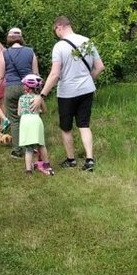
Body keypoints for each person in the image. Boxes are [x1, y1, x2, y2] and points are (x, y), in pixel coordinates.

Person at [37, 16, 105, 172]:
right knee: (84, 124)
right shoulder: (87, 41)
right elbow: (100, 67)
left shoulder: (59, 47)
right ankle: (89, 160)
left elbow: (54, 74)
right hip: (86, 90)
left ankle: (71, 160)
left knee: (66, 127)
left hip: (67, 93)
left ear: (59, 27)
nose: (56, 34)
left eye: (55, 30)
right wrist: (89, 79)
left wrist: (42, 95)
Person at [0, 28, 39, 159]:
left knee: (14, 119)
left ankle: (17, 150)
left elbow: (0, 76)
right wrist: (38, 92)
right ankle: (33, 146)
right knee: (31, 117)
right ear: (21, 38)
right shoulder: (30, 52)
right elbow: (35, 74)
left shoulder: (5, 53)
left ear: (9, 39)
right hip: (29, 88)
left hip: (11, 88)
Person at [17, 74, 54, 176]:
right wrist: (39, 110)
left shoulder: (21, 98)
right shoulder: (38, 98)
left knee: (29, 148)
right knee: (41, 144)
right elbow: (45, 111)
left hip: (25, 122)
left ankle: (28, 170)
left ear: (26, 86)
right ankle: (46, 164)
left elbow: (19, 113)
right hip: (36, 121)